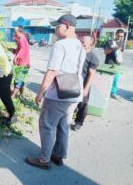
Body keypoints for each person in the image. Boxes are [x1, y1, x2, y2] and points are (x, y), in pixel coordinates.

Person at [25, 14, 86, 170]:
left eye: (58, 27)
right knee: (63, 125)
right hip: (74, 92)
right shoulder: (80, 45)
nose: (56, 30)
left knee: (47, 125)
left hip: (58, 94)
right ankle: (58, 155)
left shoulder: (61, 45)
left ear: (67, 26)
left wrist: (40, 92)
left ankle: (44, 159)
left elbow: (52, 70)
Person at [71, 36, 99, 131]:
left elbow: (91, 74)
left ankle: (78, 122)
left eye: (84, 42)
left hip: (83, 83)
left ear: (90, 44)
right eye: (81, 41)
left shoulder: (93, 58)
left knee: (83, 103)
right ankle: (66, 118)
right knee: (69, 100)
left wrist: (86, 89)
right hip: (72, 81)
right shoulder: (76, 52)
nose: (81, 43)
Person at [104, 29, 125, 99]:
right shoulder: (109, 42)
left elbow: (121, 52)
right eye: (119, 36)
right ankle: (104, 92)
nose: (120, 38)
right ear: (116, 34)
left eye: (122, 36)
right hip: (108, 63)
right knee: (107, 79)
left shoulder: (122, 42)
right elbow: (105, 52)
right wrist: (113, 49)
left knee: (116, 79)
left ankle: (113, 93)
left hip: (117, 64)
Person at [11, 26, 31, 99]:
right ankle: (21, 95)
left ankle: (12, 96)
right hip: (24, 64)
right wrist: (11, 50)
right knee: (21, 80)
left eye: (15, 32)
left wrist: (16, 57)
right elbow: (19, 51)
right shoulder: (22, 39)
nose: (15, 34)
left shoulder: (22, 39)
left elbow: (22, 49)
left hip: (23, 64)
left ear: (20, 32)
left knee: (18, 80)